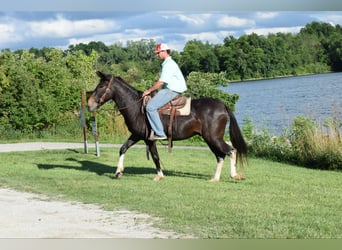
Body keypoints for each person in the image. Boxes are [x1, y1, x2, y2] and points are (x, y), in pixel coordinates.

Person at [142, 43, 187, 141]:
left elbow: (161, 82)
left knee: (150, 107)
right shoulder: (168, 63)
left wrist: (148, 91)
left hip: (171, 90)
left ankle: (160, 133)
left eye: (158, 53)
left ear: (164, 52)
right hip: (169, 89)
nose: (157, 55)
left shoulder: (169, 64)